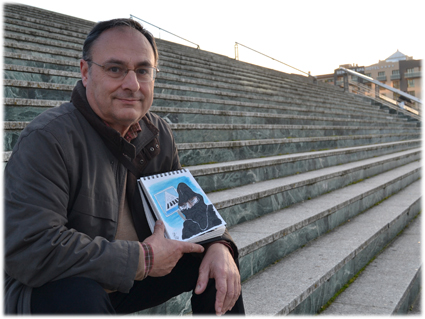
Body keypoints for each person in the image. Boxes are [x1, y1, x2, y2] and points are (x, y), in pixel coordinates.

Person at [4, 18, 244, 315]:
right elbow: (30, 248)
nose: (132, 85)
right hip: (53, 290)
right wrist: (142, 258)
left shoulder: (158, 133)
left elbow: (190, 213)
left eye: (143, 71)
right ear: (85, 72)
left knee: (218, 269)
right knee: (81, 294)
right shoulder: (48, 139)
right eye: (115, 69)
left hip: (130, 279)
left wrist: (220, 245)